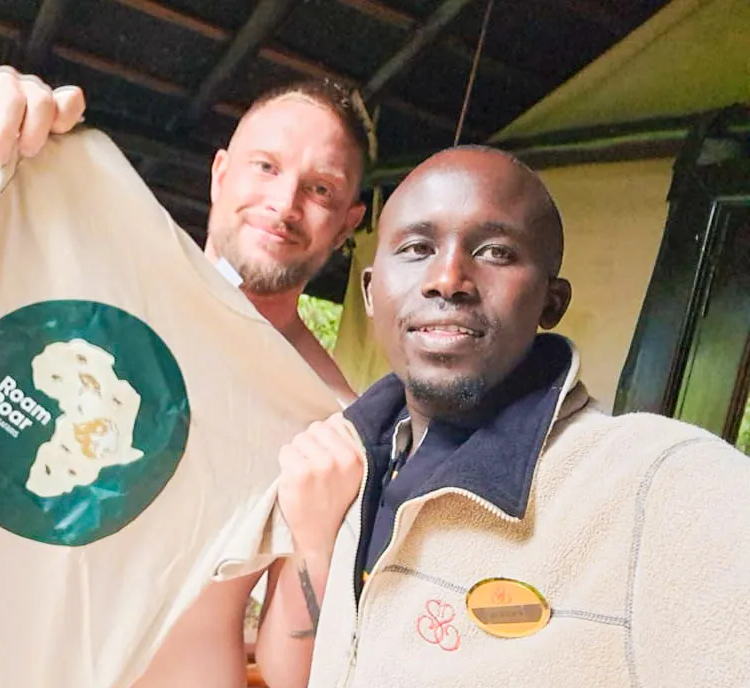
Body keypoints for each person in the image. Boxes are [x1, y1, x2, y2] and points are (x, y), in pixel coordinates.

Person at [0, 66, 368, 687]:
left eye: (320, 189)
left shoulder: (332, 419)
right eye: (266, 166)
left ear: (348, 223)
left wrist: (321, 547)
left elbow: (291, 676)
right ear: (220, 173)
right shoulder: (85, 283)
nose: (284, 202)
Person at [280, 146, 750, 687]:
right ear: (369, 291)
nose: (447, 277)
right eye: (416, 248)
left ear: (551, 303)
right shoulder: (346, 463)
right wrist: (314, 545)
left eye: (496, 252)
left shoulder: (664, 486)